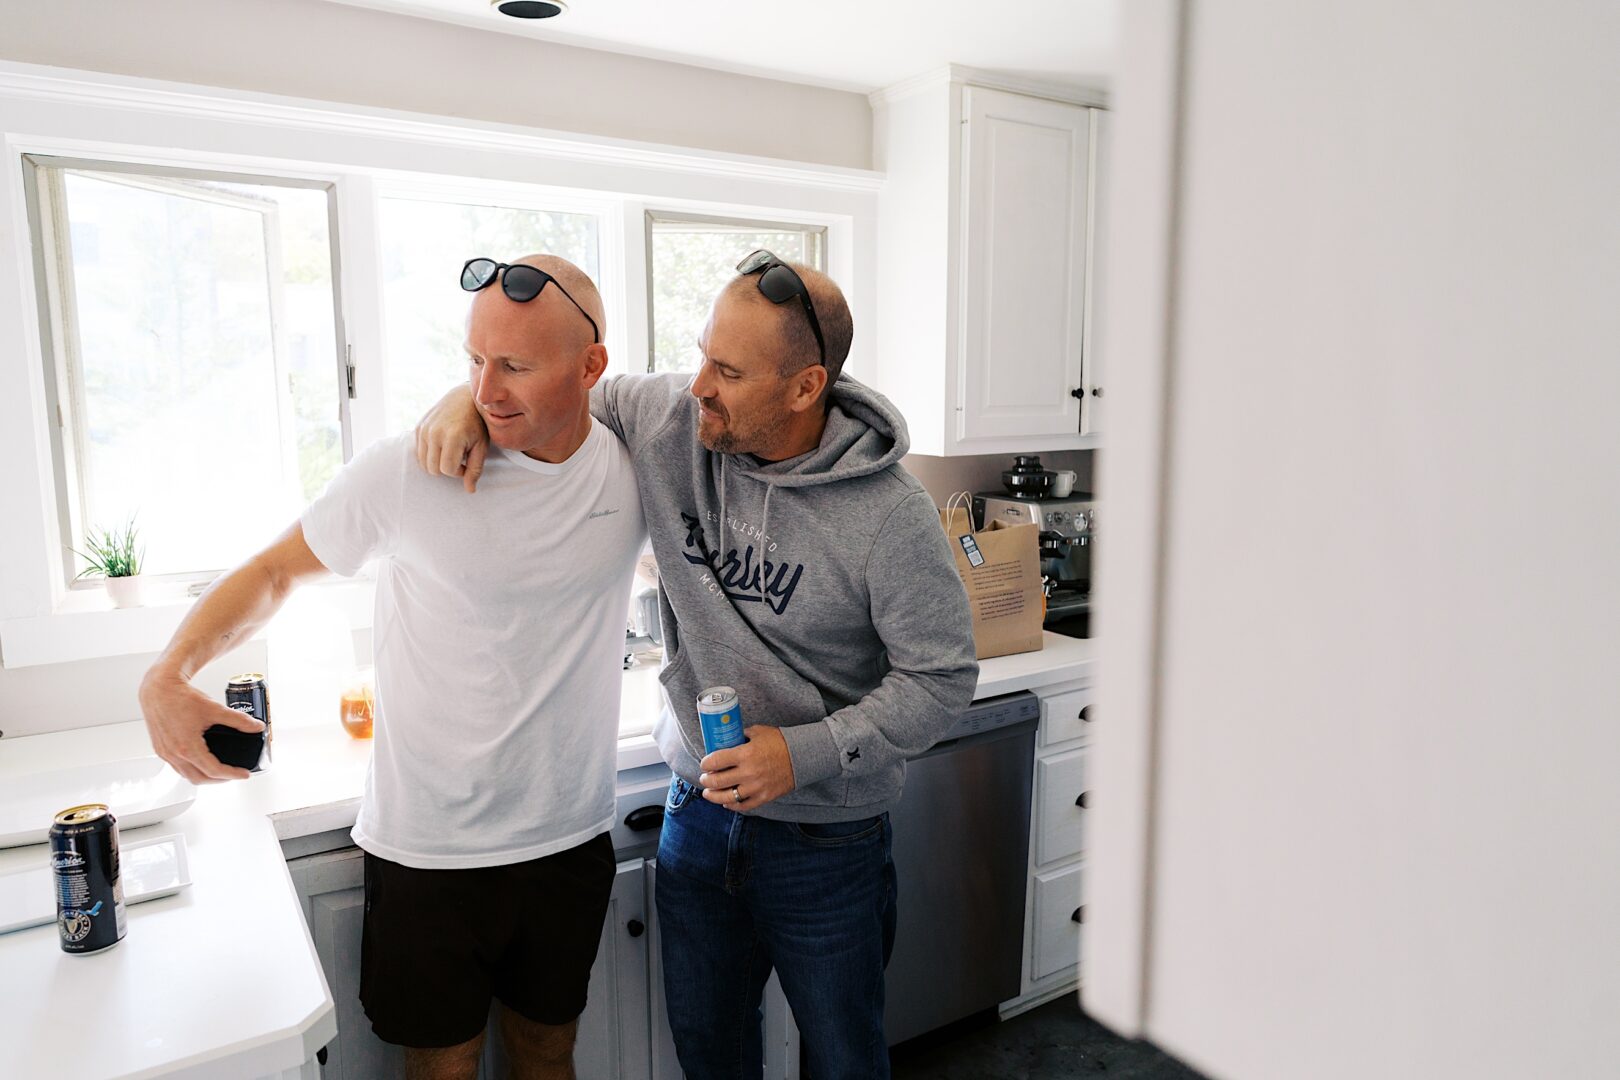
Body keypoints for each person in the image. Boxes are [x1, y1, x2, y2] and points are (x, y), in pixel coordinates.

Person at [414, 250, 978, 1079]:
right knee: (711, 1056)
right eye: (703, 353)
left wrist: (803, 753)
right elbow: (553, 381)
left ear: (804, 387)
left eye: (728, 370)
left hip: (829, 843)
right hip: (697, 820)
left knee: (846, 1058)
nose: (697, 384)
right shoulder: (668, 418)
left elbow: (943, 679)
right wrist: (461, 402)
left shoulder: (890, 516)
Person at [138, 255, 645, 1080]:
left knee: (548, 1054)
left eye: (515, 365)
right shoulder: (410, 470)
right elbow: (273, 572)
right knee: (440, 1068)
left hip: (567, 837)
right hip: (431, 851)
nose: (486, 390)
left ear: (591, 368)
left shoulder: (632, 472)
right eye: (473, 361)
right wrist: (168, 672)